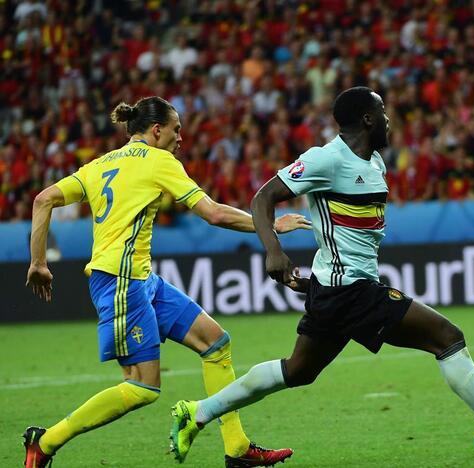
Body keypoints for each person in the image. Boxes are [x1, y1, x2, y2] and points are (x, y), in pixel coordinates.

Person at [169, 87, 474, 466]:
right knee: (447, 338)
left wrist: (318, 282)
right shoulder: (326, 160)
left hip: (339, 290)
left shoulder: (374, 164)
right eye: (385, 114)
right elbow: (262, 198)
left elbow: (343, 237)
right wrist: (274, 250)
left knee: (298, 370)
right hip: (352, 293)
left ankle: (198, 411)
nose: (390, 122)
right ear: (368, 119)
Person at [23, 96, 312, 468]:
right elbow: (214, 214)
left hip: (142, 278)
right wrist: (270, 225)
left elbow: (43, 199)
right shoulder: (159, 161)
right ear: (156, 130)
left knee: (216, 343)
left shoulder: (100, 164)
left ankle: (237, 449)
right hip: (121, 281)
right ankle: (45, 442)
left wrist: (38, 263)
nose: (180, 138)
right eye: (176, 130)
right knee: (143, 386)